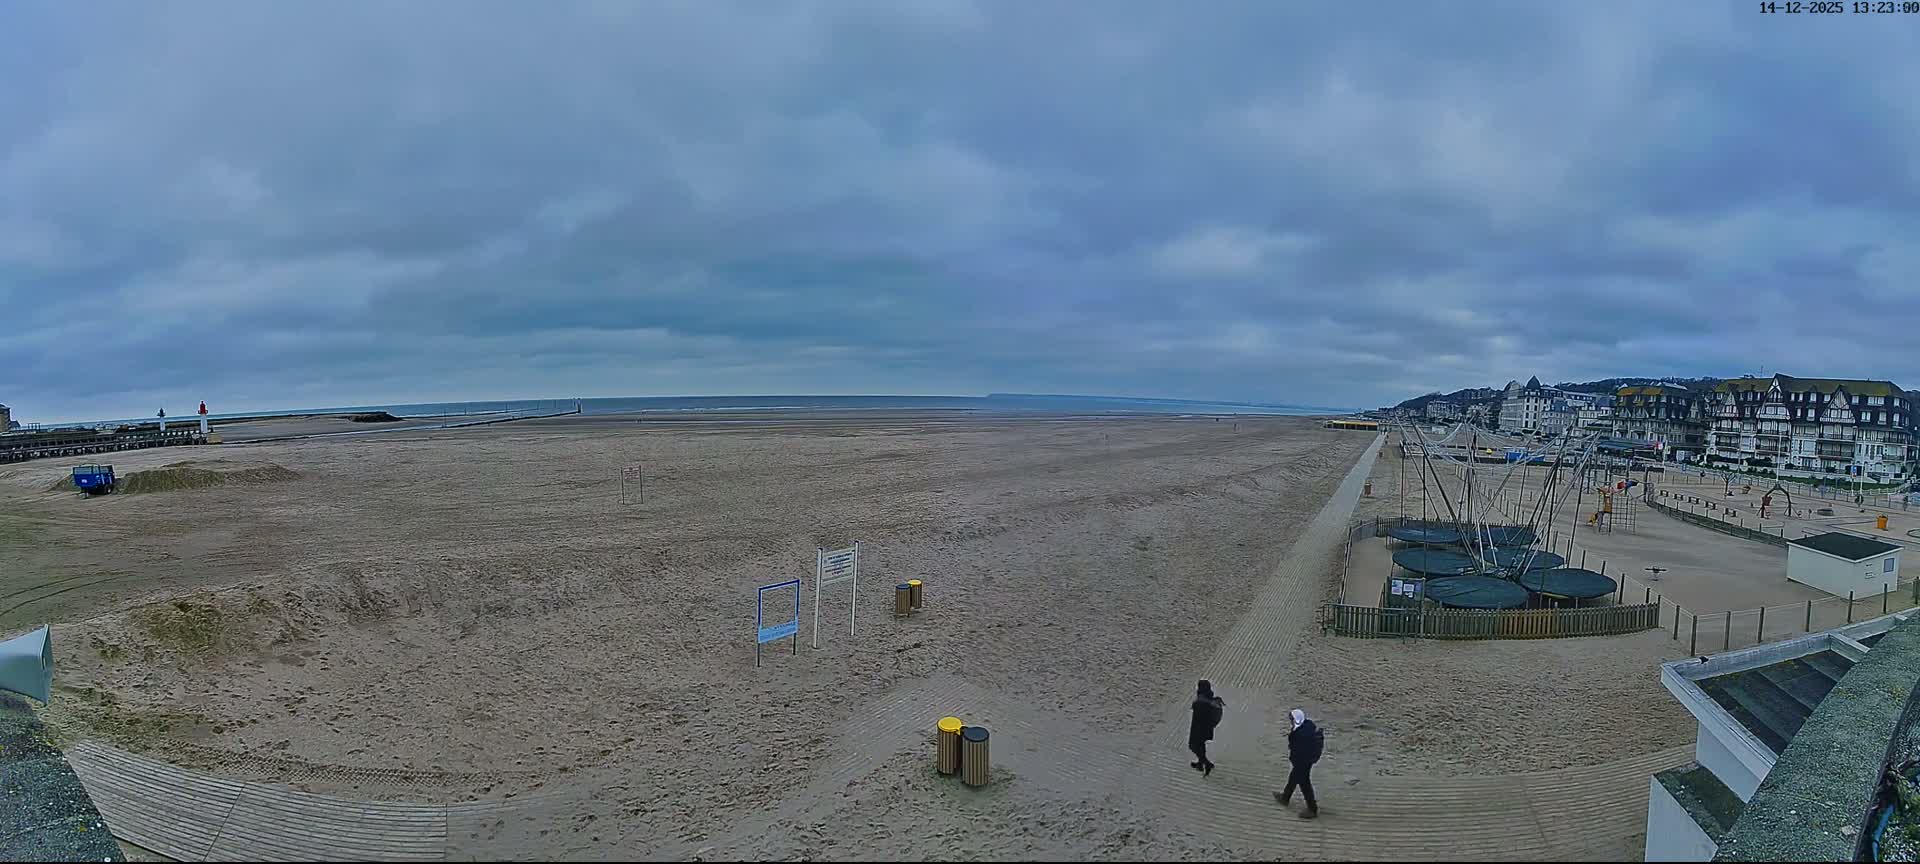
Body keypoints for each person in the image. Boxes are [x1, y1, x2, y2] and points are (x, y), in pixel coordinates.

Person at [1273, 708, 1324, 819]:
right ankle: (1285, 797)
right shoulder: (1308, 725)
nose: (1290, 721)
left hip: (1302, 761)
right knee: (1293, 777)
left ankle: (1312, 809)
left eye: (1291, 719)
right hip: (1307, 760)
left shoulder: (1299, 734)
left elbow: (1296, 749)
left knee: (1304, 784)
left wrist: (1295, 760)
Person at [1187, 680, 1225, 776]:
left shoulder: (1202, 700)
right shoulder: (1208, 697)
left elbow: (1197, 708)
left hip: (1199, 728)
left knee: (1193, 745)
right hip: (1205, 728)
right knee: (1200, 745)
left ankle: (1207, 764)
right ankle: (1200, 763)